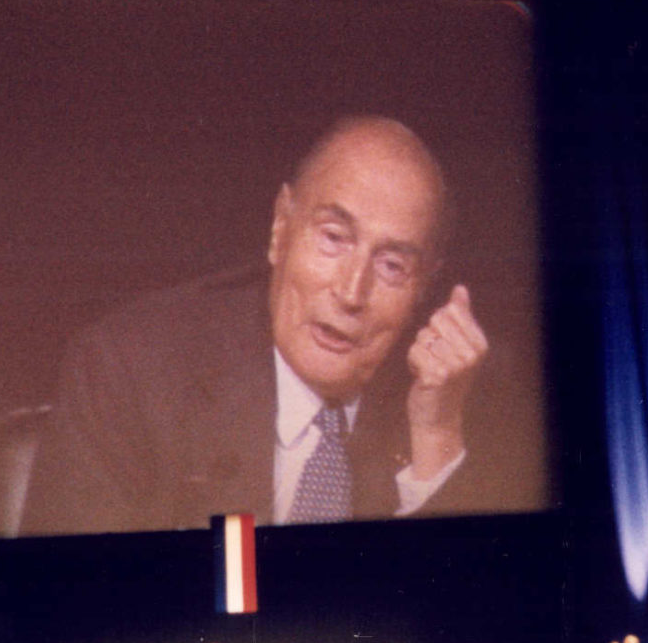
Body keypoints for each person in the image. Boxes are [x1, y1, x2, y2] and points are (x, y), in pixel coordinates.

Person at [27, 116, 503, 536]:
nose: (351, 292)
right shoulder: (128, 371)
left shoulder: (454, 405)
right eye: (334, 238)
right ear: (280, 229)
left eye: (393, 266)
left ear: (423, 288)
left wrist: (437, 435)